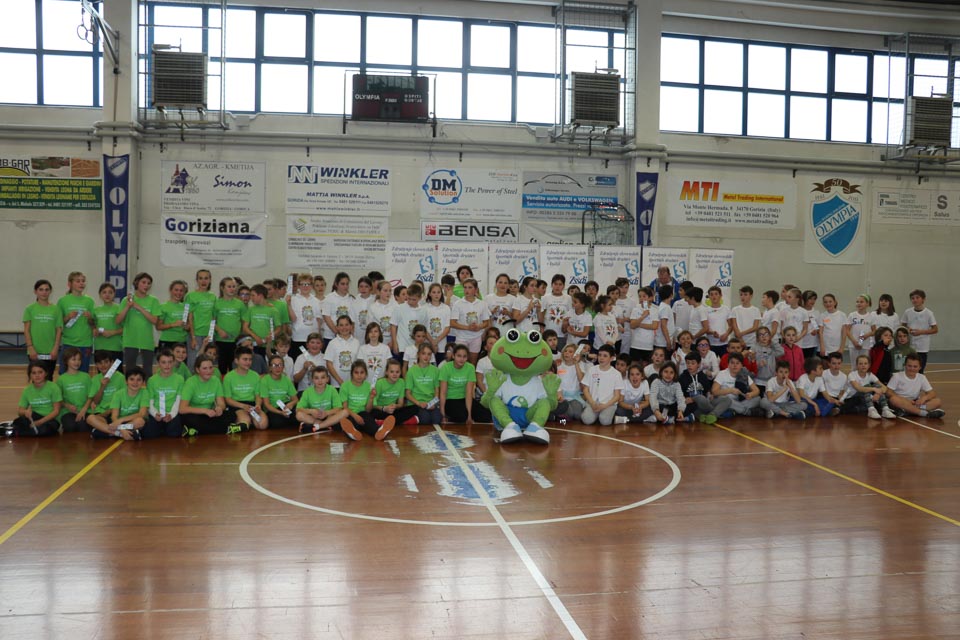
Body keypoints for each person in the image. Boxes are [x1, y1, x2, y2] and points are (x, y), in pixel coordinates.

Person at [179, 355, 239, 436]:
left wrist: (219, 408)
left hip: (211, 414)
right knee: (188, 419)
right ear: (197, 370)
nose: (209, 371)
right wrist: (204, 411)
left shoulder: (216, 380)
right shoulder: (190, 382)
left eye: (211, 368)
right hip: (195, 414)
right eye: (205, 368)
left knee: (232, 415)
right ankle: (222, 429)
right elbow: (182, 409)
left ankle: (197, 430)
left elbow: (221, 403)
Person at [87, 365, 149, 440]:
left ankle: (106, 432)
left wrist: (121, 422)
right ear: (126, 381)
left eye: (139, 380)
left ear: (143, 382)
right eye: (131, 379)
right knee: (90, 418)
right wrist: (121, 428)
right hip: (117, 422)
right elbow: (114, 416)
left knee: (140, 421)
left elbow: (141, 414)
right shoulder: (118, 394)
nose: (135, 382)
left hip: (130, 422)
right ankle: (118, 434)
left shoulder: (145, 393)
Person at [117, 272, 160, 379]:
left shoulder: (153, 300)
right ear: (136, 283)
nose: (146, 285)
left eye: (149, 283)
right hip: (130, 340)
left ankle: (149, 390)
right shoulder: (126, 300)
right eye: (143, 282)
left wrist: (138, 307)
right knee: (130, 371)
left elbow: (154, 320)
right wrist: (128, 306)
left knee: (148, 371)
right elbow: (118, 320)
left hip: (147, 341)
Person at [339, 360, 396, 440]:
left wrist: (371, 398)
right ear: (351, 374)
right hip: (350, 413)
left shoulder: (369, 386)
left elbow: (368, 410)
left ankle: (379, 431)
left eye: (362, 372)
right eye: (356, 372)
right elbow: (345, 407)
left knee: (369, 420)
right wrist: (355, 416)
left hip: (363, 413)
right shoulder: (345, 386)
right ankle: (352, 433)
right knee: (349, 422)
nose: (359, 375)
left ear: (366, 374)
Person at [23, 279, 63, 381]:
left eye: (46, 289)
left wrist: (55, 348)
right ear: (35, 291)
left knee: (48, 378)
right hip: (34, 351)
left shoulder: (56, 309)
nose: (44, 292)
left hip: (51, 351)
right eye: (41, 289)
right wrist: (30, 348)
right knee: (37, 379)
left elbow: (59, 330)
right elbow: (26, 330)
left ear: (50, 291)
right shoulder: (30, 309)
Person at [296, 366, 353, 436]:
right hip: (314, 418)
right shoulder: (307, 392)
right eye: (316, 378)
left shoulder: (332, 390)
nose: (320, 381)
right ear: (312, 379)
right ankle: (326, 425)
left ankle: (318, 426)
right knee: (299, 415)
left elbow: (338, 408)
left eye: (323, 377)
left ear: (327, 379)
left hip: (329, 417)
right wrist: (311, 411)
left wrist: (326, 413)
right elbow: (298, 409)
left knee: (346, 412)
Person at [57, 271, 96, 374]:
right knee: (64, 373)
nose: (81, 283)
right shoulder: (62, 301)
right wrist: (68, 317)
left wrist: (90, 318)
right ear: (69, 284)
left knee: (83, 373)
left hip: (85, 343)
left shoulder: (89, 301)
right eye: (78, 281)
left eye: (83, 281)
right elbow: (58, 324)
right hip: (68, 343)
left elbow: (93, 325)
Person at [885, 353, 945, 418]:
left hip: (915, 403)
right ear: (905, 365)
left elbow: (932, 393)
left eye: (915, 366)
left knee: (937, 401)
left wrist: (924, 398)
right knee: (893, 399)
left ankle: (909, 411)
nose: (912, 369)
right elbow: (888, 392)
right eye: (909, 366)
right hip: (901, 401)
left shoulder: (922, 377)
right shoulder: (897, 376)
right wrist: (905, 400)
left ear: (920, 367)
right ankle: (924, 413)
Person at [678, 351, 730, 423]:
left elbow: (707, 391)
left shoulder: (702, 376)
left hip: (705, 403)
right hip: (693, 405)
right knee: (700, 398)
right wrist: (687, 399)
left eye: (692, 363)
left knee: (727, 399)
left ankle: (712, 414)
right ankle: (718, 413)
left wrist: (710, 395)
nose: (690, 365)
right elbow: (680, 395)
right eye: (688, 363)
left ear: (699, 364)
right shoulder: (682, 377)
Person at [144, 348, 184, 438]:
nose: (167, 365)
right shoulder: (152, 380)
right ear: (158, 363)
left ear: (173, 363)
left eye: (170, 362)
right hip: (156, 414)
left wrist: (171, 415)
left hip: (172, 413)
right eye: (164, 362)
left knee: (174, 433)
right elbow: (150, 401)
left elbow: (178, 400)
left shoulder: (179, 379)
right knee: (149, 434)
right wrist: (155, 414)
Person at [581, 345, 624, 426]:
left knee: (605, 421)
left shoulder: (616, 374)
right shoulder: (592, 370)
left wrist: (604, 406)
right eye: (600, 355)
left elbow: (617, 396)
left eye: (605, 356)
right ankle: (595, 414)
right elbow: (585, 389)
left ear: (612, 358)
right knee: (587, 420)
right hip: (593, 402)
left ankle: (611, 416)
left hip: (608, 404)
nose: (601, 358)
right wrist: (592, 403)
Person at [450, 278, 491, 365]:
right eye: (465, 287)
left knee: (473, 362)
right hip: (461, 337)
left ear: (475, 290)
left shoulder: (482, 304)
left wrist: (479, 326)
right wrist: (467, 327)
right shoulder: (458, 304)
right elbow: (452, 323)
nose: (466, 290)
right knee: (459, 362)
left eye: (470, 287)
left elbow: (486, 322)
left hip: (476, 337)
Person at [211, 276, 245, 376]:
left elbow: (244, 322)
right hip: (220, 341)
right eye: (229, 286)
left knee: (234, 368)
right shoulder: (217, 303)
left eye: (234, 286)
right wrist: (219, 330)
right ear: (222, 288)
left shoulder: (240, 304)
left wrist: (241, 337)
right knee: (221, 368)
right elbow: (212, 321)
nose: (232, 289)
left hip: (235, 342)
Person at [257, 354, 300, 430]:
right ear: (270, 367)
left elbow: (295, 399)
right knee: (276, 423)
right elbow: (266, 404)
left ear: (283, 367)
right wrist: (280, 412)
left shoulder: (286, 379)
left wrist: (291, 404)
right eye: (274, 365)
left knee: (298, 416)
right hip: (273, 409)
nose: (278, 368)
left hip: (285, 406)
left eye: (280, 365)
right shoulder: (265, 380)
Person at [845, 354, 895, 419]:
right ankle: (871, 410)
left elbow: (884, 387)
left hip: (866, 398)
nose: (863, 365)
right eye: (860, 364)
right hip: (854, 399)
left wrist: (878, 394)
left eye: (865, 363)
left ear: (868, 365)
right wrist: (874, 389)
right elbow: (859, 388)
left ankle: (885, 409)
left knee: (877, 386)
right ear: (857, 366)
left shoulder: (870, 375)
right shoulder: (852, 375)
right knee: (867, 386)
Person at [372, 359, 420, 427]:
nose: (395, 374)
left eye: (397, 372)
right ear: (386, 372)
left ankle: (385, 422)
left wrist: (395, 406)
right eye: (392, 372)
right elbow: (373, 404)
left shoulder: (401, 382)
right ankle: (401, 421)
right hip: (381, 410)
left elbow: (400, 404)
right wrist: (384, 408)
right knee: (373, 412)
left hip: (393, 411)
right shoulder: (380, 383)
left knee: (415, 408)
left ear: (400, 373)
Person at [222, 346, 260, 430]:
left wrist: (258, 405)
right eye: (245, 359)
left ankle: (248, 422)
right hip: (237, 405)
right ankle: (242, 422)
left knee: (262, 424)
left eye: (250, 359)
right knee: (245, 421)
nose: (248, 362)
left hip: (251, 405)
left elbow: (257, 395)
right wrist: (243, 406)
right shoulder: (228, 377)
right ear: (236, 361)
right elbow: (228, 399)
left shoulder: (255, 375)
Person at [57, 347, 92, 433]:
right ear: (66, 361)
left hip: (84, 410)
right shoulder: (61, 379)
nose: (77, 362)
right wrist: (67, 406)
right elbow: (58, 400)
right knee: (70, 427)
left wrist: (84, 409)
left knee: (83, 426)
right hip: (68, 411)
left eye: (79, 359)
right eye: (74, 359)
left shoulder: (86, 376)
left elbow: (91, 396)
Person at [185, 269, 216, 368]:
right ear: (197, 280)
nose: (203, 281)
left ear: (210, 280)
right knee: (194, 363)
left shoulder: (213, 297)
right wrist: (193, 337)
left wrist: (210, 335)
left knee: (208, 363)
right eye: (201, 278)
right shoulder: (190, 296)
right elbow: (189, 318)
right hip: (196, 335)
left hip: (209, 336)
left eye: (206, 278)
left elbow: (213, 318)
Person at [901, 289, 937, 373]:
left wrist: (921, 332)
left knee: (920, 370)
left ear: (923, 299)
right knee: (908, 369)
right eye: (913, 298)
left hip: (922, 347)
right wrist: (908, 329)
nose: (915, 300)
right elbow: (903, 325)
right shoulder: (907, 312)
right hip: (909, 345)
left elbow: (935, 329)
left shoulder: (929, 313)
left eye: (917, 297)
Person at [405, 343, 442, 424]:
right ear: (418, 354)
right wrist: (419, 403)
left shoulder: (435, 370)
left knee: (437, 419)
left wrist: (433, 403)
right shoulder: (411, 371)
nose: (426, 356)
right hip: (416, 403)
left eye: (429, 354)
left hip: (430, 403)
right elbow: (408, 394)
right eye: (423, 353)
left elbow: (437, 391)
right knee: (425, 419)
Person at [439, 344, 476, 424]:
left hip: (464, 398)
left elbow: (469, 392)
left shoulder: (470, 368)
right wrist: (442, 415)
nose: (461, 359)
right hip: (450, 400)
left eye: (464, 356)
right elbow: (443, 393)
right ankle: (448, 416)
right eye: (459, 356)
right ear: (453, 356)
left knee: (485, 416)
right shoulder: (446, 368)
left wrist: (469, 415)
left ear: (467, 357)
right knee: (462, 417)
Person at [391, 282, 427, 358]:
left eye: (413, 300)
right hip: (402, 346)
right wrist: (394, 343)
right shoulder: (399, 308)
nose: (410, 302)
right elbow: (393, 326)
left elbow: (423, 329)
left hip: (416, 347)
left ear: (420, 298)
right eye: (409, 299)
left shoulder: (423, 311)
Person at [243, 284, 279, 360]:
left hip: (268, 346)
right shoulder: (251, 309)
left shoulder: (273, 310)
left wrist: (270, 336)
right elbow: (245, 327)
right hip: (254, 345)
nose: (251, 298)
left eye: (253, 295)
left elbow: (279, 328)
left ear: (261, 295)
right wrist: (256, 337)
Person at [554, 343, 587, 423]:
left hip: (574, 396)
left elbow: (581, 380)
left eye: (570, 352)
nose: (567, 353)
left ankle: (562, 415)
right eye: (565, 351)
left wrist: (576, 363)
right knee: (570, 413)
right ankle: (559, 417)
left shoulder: (580, 365)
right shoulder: (559, 365)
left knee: (577, 414)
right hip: (561, 396)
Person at [325, 315, 360, 389]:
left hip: (352, 384)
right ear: (337, 327)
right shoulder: (332, 343)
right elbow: (329, 364)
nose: (344, 328)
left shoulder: (357, 343)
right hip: (336, 385)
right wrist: (340, 381)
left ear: (351, 326)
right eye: (341, 325)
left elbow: (358, 364)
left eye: (346, 325)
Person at [92, 282, 123, 363]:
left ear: (114, 294)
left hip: (116, 348)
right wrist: (95, 331)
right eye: (104, 292)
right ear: (100, 295)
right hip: (99, 348)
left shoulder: (120, 308)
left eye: (110, 292)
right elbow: (94, 327)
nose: (107, 295)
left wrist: (112, 333)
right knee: (101, 370)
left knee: (116, 370)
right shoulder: (96, 310)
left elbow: (126, 328)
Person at [322, 272, 355, 348]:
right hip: (330, 336)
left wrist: (349, 334)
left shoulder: (351, 299)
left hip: (346, 336)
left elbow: (353, 320)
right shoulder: (329, 298)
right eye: (342, 284)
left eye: (347, 284)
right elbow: (327, 317)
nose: (345, 286)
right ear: (336, 284)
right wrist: (337, 333)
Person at [156, 280, 189, 352]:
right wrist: (173, 324)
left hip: (182, 342)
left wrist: (187, 327)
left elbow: (188, 325)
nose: (178, 293)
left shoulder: (186, 307)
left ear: (184, 292)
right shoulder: (163, 306)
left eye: (181, 290)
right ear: (170, 291)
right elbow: (158, 326)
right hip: (167, 341)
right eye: (176, 290)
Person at [629, 287, 659, 365]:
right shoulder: (635, 309)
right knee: (634, 366)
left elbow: (654, 326)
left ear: (650, 298)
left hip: (648, 344)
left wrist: (639, 324)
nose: (642, 298)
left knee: (646, 366)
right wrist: (643, 316)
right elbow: (632, 325)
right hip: (635, 344)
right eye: (640, 296)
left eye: (644, 296)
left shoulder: (655, 310)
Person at [844, 294, 876, 364]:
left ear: (867, 304)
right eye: (857, 302)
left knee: (864, 364)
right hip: (853, 345)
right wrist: (854, 342)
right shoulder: (852, 315)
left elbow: (874, 331)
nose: (859, 303)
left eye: (861, 302)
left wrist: (867, 335)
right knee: (854, 365)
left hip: (865, 345)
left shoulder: (871, 316)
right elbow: (847, 330)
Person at [752, 326, 783, 396]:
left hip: (771, 379)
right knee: (759, 399)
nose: (764, 336)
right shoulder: (754, 348)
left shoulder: (772, 347)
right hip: (758, 380)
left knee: (771, 398)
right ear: (757, 338)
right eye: (761, 335)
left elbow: (781, 352)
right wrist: (758, 365)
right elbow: (750, 364)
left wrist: (772, 342)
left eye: (766, 334)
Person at [368, 280, 398, 353]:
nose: (388, 293)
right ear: (378, 292)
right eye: (385, 290)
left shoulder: (395, 306)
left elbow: (398, 325)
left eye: (390, 290)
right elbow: (370, 326)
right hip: (378, 341)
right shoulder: (373, 307)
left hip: (393, 341)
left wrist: (393, 342)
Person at [424, 283, 452, 359]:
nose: (436, 294)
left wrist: (436, 341)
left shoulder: (446, 308)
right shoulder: (424, 308)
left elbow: (447, 328)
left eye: (438, 292)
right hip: (427, 343)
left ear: (441, 293)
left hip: (441, 345)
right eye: (434, 292)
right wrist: (432, 342)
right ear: (429, 294)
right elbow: (423, 328)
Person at [704, 286, 732, 357]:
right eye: (711, 294)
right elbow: (704, 328)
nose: (714, 296)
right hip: (710, 343)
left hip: (724, 343)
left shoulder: (726, 309)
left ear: (720, 295)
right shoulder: (705, 310)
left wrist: (726, 334)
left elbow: (731, 326)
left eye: (716, 294)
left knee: (725, 362)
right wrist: (712, 333)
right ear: (709, 296)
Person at [731, 285, 761, 350]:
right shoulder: (735, 309)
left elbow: (755, 327)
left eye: (745, 294)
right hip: (737, 342)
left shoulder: (756, 310)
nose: (743, 297)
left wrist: (742, 333)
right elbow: (734, 325)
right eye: (741, 294)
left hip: (751, 342)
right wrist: (740, 339)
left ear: (751, 296)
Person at [818, 293, 846, 358]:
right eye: (825, 302)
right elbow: (820, 332)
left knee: (835, 363)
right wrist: (822, 346)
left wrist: (842, 348)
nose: (828, 304)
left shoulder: (842, 315)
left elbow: (844, 333)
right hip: (825, 347)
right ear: (823, 304)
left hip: (837, 347)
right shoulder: (822, 316)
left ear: (835, 302)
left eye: (830, 301)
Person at [798, 290, 820, 360]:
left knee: (810, 363)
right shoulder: (799, 311)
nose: (812, 301)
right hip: (800, 342)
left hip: (812, 343)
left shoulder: (816, 312)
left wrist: (816, 330)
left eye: (814, 299)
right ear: (804, 299)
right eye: (810, 299)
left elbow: (818, 326)